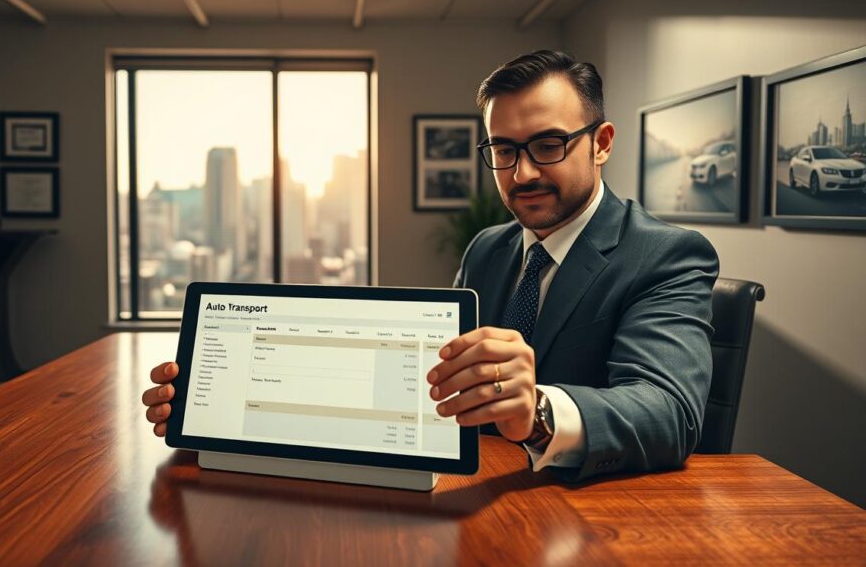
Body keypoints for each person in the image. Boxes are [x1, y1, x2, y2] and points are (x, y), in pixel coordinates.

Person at [142, 50, 718, 482]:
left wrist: (539, 411)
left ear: (602, 142)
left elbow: (668, 412)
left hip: (589, 517)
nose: (522, 174)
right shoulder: (487, 249)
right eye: (504, 150)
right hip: (470, 498)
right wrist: (222, 408)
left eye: (548, 145)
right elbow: (426, 388)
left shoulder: (666, 255)